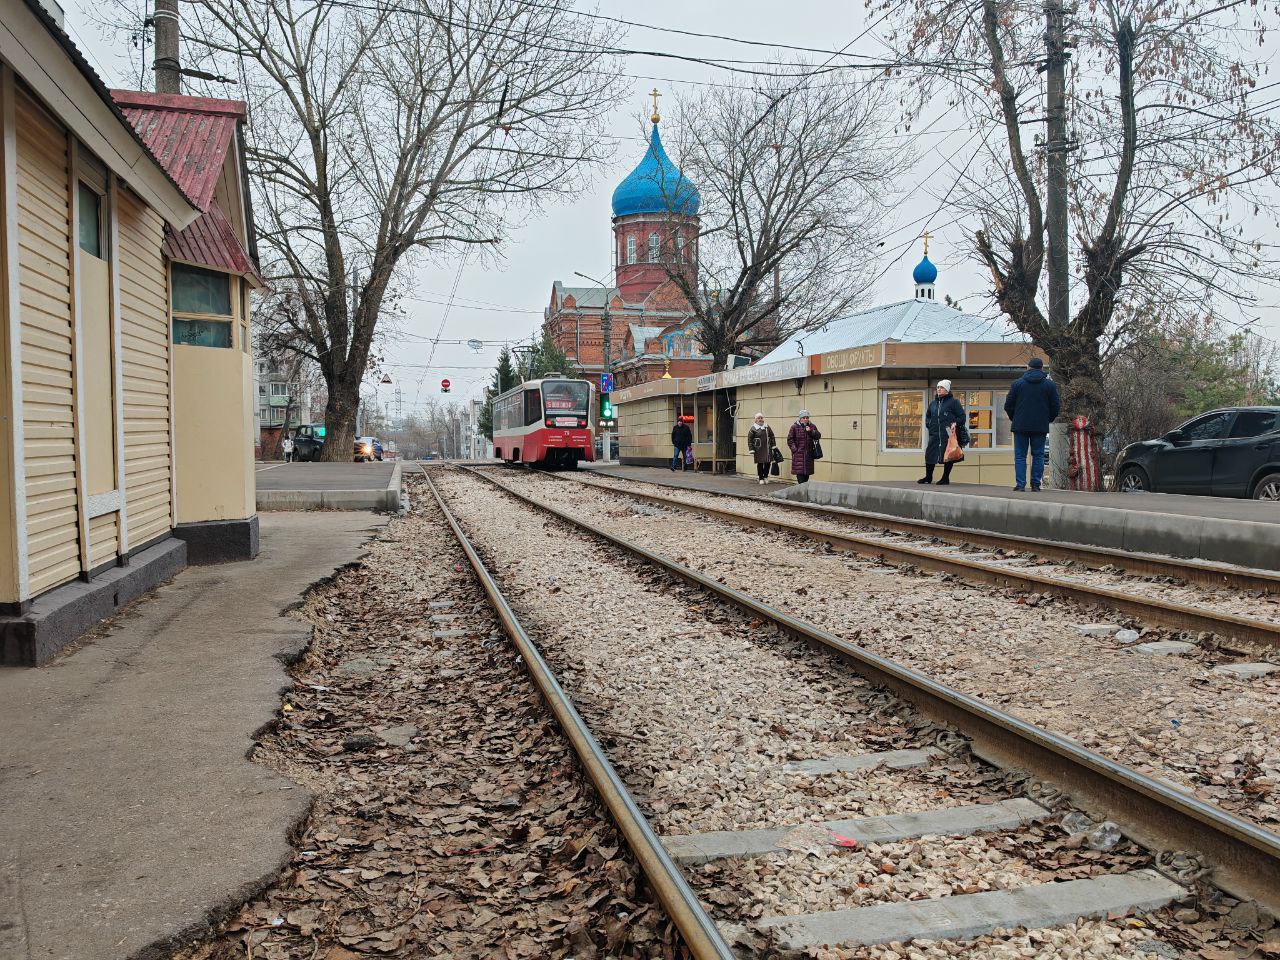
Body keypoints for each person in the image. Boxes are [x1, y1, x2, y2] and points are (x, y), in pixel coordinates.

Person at [1004, 357, 1061, 492]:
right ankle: (1035, 484)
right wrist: (1048, 419)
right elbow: (1055, 406)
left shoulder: (1017, 384)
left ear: (1028, 368)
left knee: (1020, 456)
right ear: (1042, 369)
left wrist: (1015, 418)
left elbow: (1008, 405)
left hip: (1020, 425)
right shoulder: (1050, 385)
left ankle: (1020, 485)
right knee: (1038, 455)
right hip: (1040, 426)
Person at [920, 380, 969, 485]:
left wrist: (955, 423)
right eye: (938, 387)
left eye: (941, 387)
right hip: (934, 433)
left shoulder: (954, 402)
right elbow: (928, 416)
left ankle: (945, 478)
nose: (939, 389)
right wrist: (929, 425)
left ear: (947, 390)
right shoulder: (933, 403)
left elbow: (962, 417)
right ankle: (928, 477)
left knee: (948, 454)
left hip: (947, 434)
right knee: (930, 454)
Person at [786, 410, 821, 484]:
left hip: (809, 455)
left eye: (807, 417)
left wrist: (811, 431)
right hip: (798, 454)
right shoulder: (794, 427)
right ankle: (801, 492)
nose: (805, 419)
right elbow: (790, 439)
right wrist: (795, 449)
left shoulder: (812, 426)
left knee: (806, 475)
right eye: (803, 417)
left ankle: (803, 491)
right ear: (800, 418)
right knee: (800, 475)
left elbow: (818, 436)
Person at [747, 413, 777, 485]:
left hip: (767, 448)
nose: (760, 419)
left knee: (768, 463)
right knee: (760, 463)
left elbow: (772, 436)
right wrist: (751, 449)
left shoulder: (767, 427)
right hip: (758, 449)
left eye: (761, 418)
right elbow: (749, 439)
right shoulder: (753, 428)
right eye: (758, 418)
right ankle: (761, 478)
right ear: (756, 420)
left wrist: (773, 445)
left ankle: (765, 476)